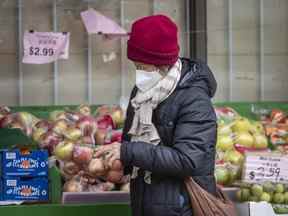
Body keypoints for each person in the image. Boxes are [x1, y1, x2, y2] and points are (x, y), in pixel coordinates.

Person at [95, 14, 217, 216]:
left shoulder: (194, 100)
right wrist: (119, 164)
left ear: (162, 64)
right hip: (146, 202)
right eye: (136, 66)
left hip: (182, 207)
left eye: (142, 66)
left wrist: (127, 152)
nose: (139, 73)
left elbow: (188, 160)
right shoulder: (142, 92)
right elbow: (132, 142)